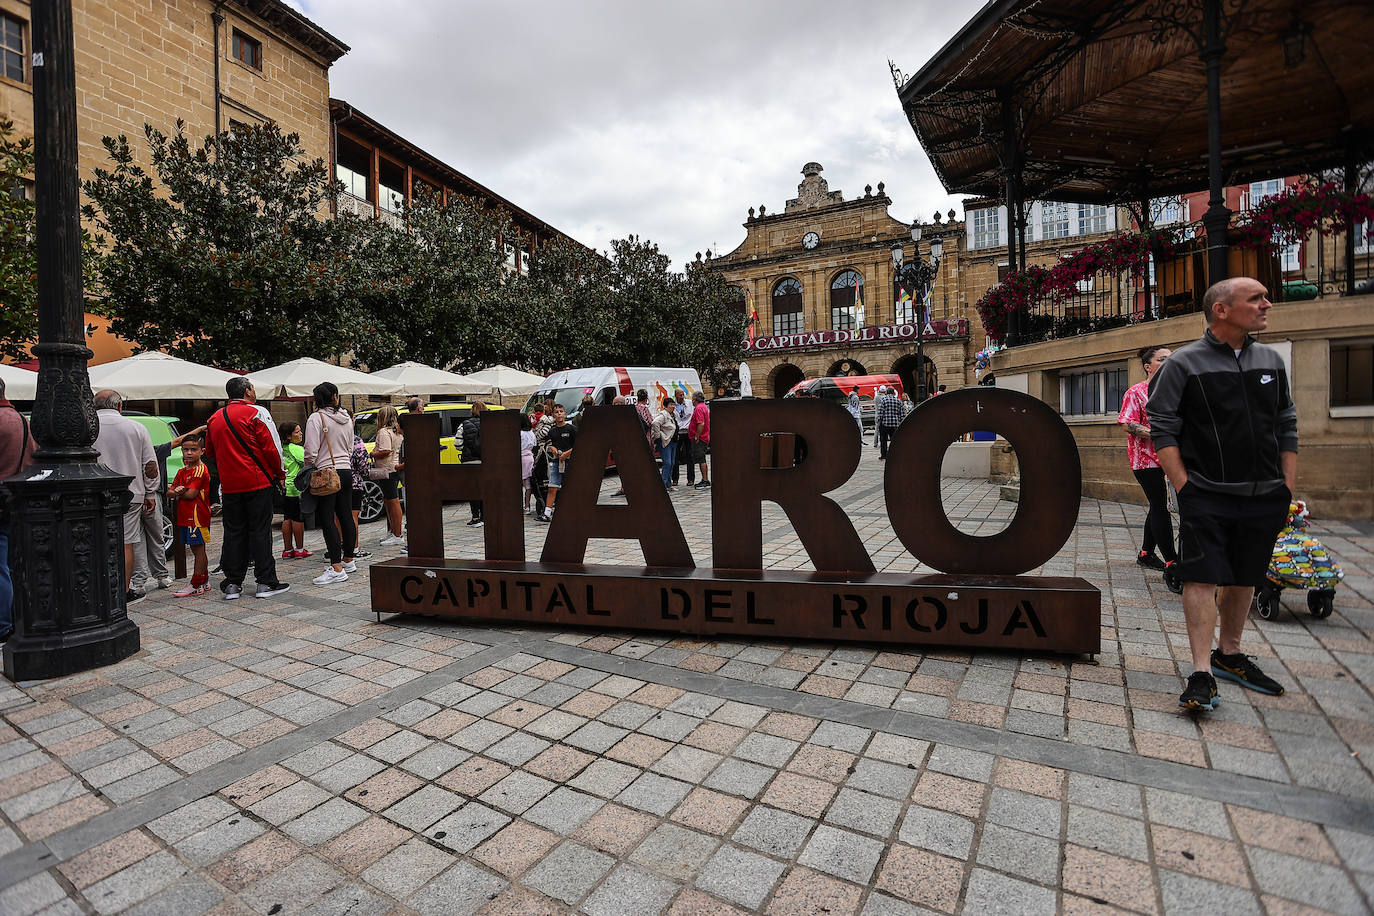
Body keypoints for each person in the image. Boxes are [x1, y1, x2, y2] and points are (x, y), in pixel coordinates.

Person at [1148, 277, 1297, 713]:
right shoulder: (1183, 364)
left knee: (1245, 575)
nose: (1267, 304)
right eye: (1256, 299)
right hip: (1206, 492)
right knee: (1201, 576)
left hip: (1264, 492)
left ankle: (1229, 654)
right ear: (1222, 310)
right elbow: (1163, 427)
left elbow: (1286, 423)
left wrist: (1286, 486)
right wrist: (1185, 487)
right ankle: (1201, 673)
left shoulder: (1270, 359)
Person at [205, 377, 289, 600]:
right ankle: (265, 581)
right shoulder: (256, 412)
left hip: (230, 485)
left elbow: (210, 452)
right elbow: (272, 447)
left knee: (233, 532)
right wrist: (280, 474)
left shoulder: (214, 418)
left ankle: (233, 583)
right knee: (260, 531)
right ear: (247, 392)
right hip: (256, 480)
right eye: (252, 387)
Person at [94, 389, 160, 606]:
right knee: (125, 542)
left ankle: (100, 588)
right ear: (119, 406)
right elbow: (150, 464)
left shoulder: (88, 429)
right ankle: (122, 591)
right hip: (131, 493)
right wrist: (151, 491)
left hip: (95, 493)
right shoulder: (136, 427)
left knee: (98, 541)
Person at [1118, 346, 1176, 573]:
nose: (1169, 363)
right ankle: (1172, 561)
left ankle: (1146, 553)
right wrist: (1157, 434)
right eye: (1162, 360)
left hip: (1171, 456)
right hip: (1145, 459)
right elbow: (1126, 423)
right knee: (1161, 506)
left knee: (1157, 505)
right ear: (1148, 367)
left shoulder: (1176, 390)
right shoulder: (1137, 392)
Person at [303, 381, 357, 586]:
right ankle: (349, 559)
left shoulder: (316, 418)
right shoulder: (347, 418)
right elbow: (351, 446)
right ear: (335, 396)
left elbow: (310, 451)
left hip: (326, 471)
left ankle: (336, 567)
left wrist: (311, 466)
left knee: (327, 519)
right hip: (345, 469)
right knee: (345, 515)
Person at [0, 378, 37, 640]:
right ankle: (18, 615)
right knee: (16, 564)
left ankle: (3, 623)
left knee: (1, 566)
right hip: (20, 500)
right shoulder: (24, 421)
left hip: (2, 502)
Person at [169, 435, 212, 597]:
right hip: (185, 515)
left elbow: (190, 494)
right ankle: (203, 580)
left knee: (198, 549)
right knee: (197, 549)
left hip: (197, 516)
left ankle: (195, 583)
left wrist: (179, 491)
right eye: (185, 449)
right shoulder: (182, 470)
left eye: (193, 449)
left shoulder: (201, 470)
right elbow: (170, 492)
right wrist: (177, 491)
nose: (188, 453)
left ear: (202, 451)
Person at [373, 406, 405, 545]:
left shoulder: (383, 432)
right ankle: (394, 531)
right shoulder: (397, 431)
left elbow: (386, 451)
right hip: (393, 468)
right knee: (390, 500)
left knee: (392, 501)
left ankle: (397, 534)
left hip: (387, 468)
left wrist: (372, 454)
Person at [277, 421, 309, 559]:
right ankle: (300, 549)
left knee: (287, 518)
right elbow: (308, 462)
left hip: (285, 488)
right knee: (297, 518)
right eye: (297, 432)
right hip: (296, 487)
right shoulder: (295, 448)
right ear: (289, 436)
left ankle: (288, 549)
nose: (301, 433)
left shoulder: (281, 448)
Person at [456, 399, 486, 526]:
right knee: (485, 489)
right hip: (486, 461)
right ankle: (485, 516)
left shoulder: (465, 424)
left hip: (469, 461)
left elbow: (457, 444)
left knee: (473, 490)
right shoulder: (490, 423)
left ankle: (475, 517)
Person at [543, 404, 575, 520]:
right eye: (556, 412)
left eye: (561, 411)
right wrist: (553, 449)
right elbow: (549, 443)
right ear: (553, 415)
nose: (559, 414)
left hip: (569, 462)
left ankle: (572, 510)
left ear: (565, 414)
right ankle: (547, 513)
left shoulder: (571, 429)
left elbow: (579, 444)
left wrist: (567, 453)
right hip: (557, 462)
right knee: (552, 487)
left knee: (570, 487)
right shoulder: (552, 431)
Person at [348, 430, 372, 560]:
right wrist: (365, 472)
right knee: (353, 515)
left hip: (332, 481)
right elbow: (363, 463)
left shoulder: (328, 437)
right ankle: (354, 548)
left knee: (336, 517)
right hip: (353, 481)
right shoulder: (355, 440)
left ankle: (337, 548)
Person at [652, 395, 679, 489]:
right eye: (671, 404)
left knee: (672, 463)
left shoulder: (673, 415)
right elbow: (655, 423)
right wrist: (658, 436)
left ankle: (669, 483)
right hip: (666, 441)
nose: (673, 406)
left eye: (673, 404)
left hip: (673, 442)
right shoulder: (663, 414)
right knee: (667, 463)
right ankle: (662, 484)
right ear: (666, 406)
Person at [688, 391, 711, 489]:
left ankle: (705, 480)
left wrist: (697, 435)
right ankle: (704, 479)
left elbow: (701, 423)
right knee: (701, 458)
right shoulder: (703, 406)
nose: (692, 401)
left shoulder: (699, 408)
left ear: (695, 399)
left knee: (701, 458)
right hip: (703, 436)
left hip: (700, 438)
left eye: (692, 399)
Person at [875, 385, 905, 460]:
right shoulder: (898, 400)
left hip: (885, 424)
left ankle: (884, 455)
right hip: (895, 424)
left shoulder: (884, 400)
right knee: (894, 440)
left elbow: (880, 412)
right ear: (893, 392)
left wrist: (879, 421)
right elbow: (902, 414)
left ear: (886, 392)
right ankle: (895, 454)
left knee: (883, 440)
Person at [673, 389, 695, 486]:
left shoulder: (689, 403)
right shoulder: (672, 405)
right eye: (680, 395)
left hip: (688, 431)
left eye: (683, 394)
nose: (682, 396)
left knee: (690, 455)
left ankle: (691, 479)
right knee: (675, 456)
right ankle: (675, 479)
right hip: (677, 432)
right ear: (676, 396)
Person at [519, 414, 537, 514]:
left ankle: (520, 505)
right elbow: (534, 444)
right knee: (528, 484)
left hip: (521, 458)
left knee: (520, 483)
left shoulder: (520, 433)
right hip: (530, 457)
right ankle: (527, 506)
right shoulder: (531, 433)